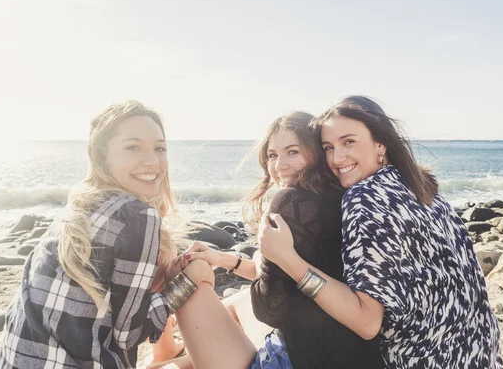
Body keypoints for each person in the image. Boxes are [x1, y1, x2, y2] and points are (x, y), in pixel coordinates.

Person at [258, 96, 503, 368]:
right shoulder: (423, 190)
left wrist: (287, 259)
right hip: (480, 355)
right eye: (328, 147)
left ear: (380, 143)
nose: (337, 158)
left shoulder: (364, 198)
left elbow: (366, 323)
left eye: (348, 142)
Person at [0, 101, 214, 368]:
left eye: (159, 148)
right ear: (101, 155)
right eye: (133, 147)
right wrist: (189, 279)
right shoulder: (137, 216)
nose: (152, 161)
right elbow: (129, 336)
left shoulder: (81, 205)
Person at [156, 111, 382, 369]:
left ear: (316, 152)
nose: (280, 165)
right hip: (349, 355)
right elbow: (297, 277)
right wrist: (221, 258)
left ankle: (162, 353)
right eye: (273, 155)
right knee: (230, 305)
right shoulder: (344, 196)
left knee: (190, 272)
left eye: (293, 152)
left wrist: (261, 263)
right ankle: (175, 360)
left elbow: (269, 308)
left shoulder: (292, 202)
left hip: (294, 360)